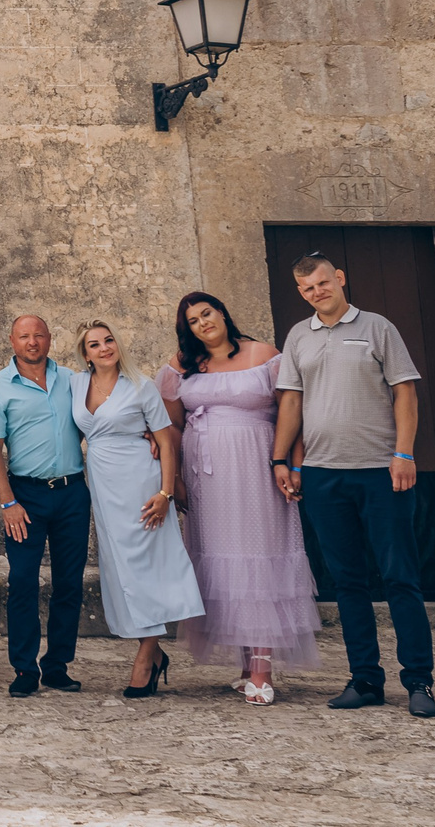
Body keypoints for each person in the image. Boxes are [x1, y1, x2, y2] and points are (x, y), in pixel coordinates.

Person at [271, 253, 435, 718]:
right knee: (348, 582)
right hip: (323, 475)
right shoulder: (298, 336)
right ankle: (365, 680)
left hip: (381, 472)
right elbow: (291, 403)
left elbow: (405, 391)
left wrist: (404, 454)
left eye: (323, 283)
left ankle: (419, 681)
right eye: (307, 288)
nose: (317, 292)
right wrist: (281, 460)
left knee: (400, 578)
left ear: (339, 279)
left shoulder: (378, 327)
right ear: (301, 292)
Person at [159, 291, 319, 705]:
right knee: (226, 562)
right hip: (205, 477)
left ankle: (262, 667)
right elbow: (171, 426)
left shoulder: (264, 354)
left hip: (257, 467)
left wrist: (292, 464)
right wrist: (174, 479)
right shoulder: (181, 366)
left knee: (260, 555)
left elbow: (292, 411)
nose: (203, 323)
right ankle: (247, 664)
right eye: (194, 321)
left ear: (222, 313)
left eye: (207, 313)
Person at [73, 321, 204, 697]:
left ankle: (146, 657)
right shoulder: (75, 384)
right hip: (104, 487)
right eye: (94, 344)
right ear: (85, 354)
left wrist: (165, 493)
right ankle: (155, 652)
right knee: (123, 569)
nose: (104, 348)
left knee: (148, 566)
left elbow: (165, 442)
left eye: (109, 340)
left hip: (142, 483)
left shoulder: (140, 385)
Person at [0, 313, 91, 697]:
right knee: (23, 581)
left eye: (39, 335)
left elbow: (100, 417)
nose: (32, 342)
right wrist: (7, 502)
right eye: (24, 336)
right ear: (12, 341)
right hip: (25, 497)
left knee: (69, 583)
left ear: (49, 339)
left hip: (73, 493)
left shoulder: (74, 381)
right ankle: (25, 669)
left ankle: (57, 666)